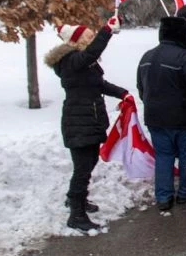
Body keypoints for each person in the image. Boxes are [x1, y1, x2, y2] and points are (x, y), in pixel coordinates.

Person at [45, 17, 128, 232]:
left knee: (88, 163)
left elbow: (99, 84)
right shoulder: (72, 60)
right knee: (83, 168)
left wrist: (122, 93)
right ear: (77, 41)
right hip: (79, 121)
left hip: (89, 119)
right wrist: (107, 31)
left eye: (93, 36)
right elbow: (91, 53)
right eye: (89, 37)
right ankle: (76, 215)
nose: (92, 41)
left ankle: (77, 201)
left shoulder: (83, 62)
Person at [137, 15, 186, 211]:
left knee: (163, 157)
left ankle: (163, 197)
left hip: (156, 118)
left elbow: (141, 88)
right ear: (181, 35)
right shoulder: (185, 57)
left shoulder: (146, 57)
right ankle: (185, 194)